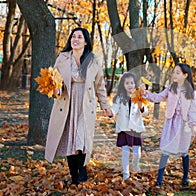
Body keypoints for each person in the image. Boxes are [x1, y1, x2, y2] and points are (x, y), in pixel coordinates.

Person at [44, 27, 112, 185]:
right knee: (70, 139)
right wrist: (56, 89)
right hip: (66, 102)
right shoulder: (62, 58)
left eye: (79, 37)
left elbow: (99, 85)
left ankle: (82, 170)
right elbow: (55, 80)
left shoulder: (93, 59)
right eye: (73, 36)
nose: (75, 39)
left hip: (85, 104)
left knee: (81, 139)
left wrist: (104, 105)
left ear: (86, 41)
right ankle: (74, 176)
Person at [142, 63, 196, 188]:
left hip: (184, 125)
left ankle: (185, 178)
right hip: (171, 122)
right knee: (166, 150)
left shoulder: (191, 92)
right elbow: (158, 97)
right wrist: (146, 94)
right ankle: (159, 179)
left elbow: (192, 111)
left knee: (184, 151)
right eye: (174, 72)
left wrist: (193, 126)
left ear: (185, 75)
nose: (175, 74)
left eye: (178, 73)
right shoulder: (171, 88)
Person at [111, 72, 148, 181]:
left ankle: (135, 164)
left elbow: (145, 112)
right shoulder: (119, 98)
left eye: (132, 83)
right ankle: (126, 172)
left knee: (137, 152)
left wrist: (141, 107)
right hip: (124, 128)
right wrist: (110, 113)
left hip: (135, 128)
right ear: (123, 85)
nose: (130, 85)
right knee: (125, 151)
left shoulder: (139, 96)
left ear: (135, 84)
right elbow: (114, 109)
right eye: (127, 83)